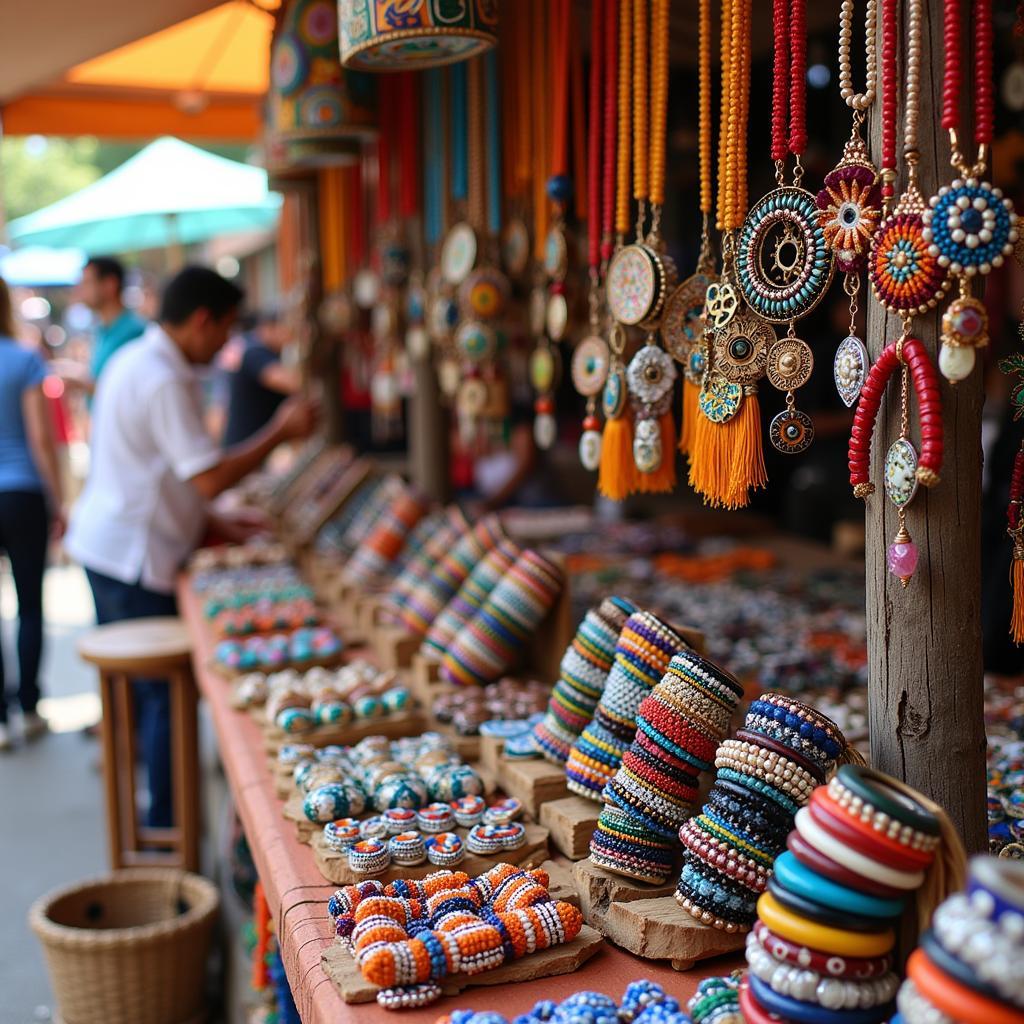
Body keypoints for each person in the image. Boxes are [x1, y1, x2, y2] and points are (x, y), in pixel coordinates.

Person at [66, 266, 318, 826]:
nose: (229, 343)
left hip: (113, 545)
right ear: (202, 320)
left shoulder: (141, 359)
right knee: (164, 701)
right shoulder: (162, 374)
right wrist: (281, 430)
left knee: (153, 700)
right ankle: (167, 826)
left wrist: (214, 523)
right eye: (226, 329)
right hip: (129, 555)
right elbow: (204, 477)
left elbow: (164, 472)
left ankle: (162, 821)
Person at [0, 276, 65, 750]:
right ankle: (29, 706)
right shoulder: (24, 359)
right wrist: (58, 498)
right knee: (29, 605)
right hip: (22, 494)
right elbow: (42, 440)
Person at [60, 256, 147, 397]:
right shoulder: (103, 329)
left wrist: (80, 381)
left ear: (110, 284)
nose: (80, 290)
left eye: (87, 283)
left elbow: (126, 391)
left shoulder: (133, 332)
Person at [221, 313, 301, 446]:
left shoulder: (261, 351)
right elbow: (294, 383)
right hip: (245, 448)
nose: (291, 335)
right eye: (287, 328)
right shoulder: (255, 352)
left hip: (251, 445)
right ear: (269, 328)